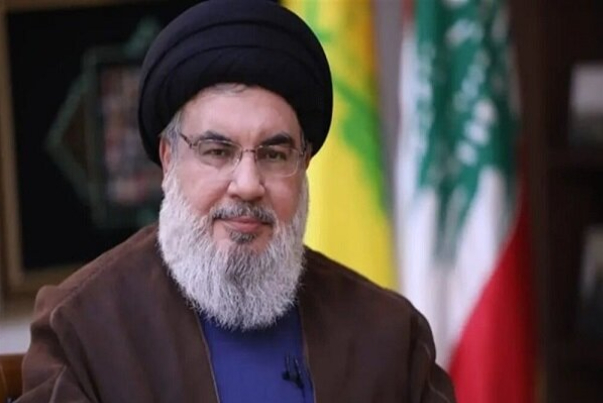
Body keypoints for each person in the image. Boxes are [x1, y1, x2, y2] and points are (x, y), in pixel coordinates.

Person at [17, 1, 456, 402]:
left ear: (304, 165)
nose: (247, 184)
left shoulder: (388, 335)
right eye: (217, 151)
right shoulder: (81, 330)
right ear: (169, 159)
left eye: (274, 154)